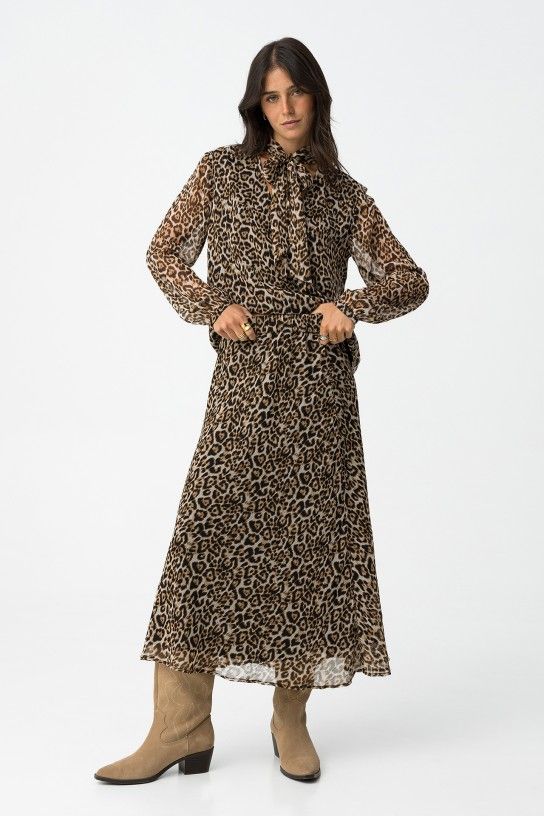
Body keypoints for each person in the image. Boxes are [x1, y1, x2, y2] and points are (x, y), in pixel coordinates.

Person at [94, 36, 429, 786]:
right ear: (256, 105)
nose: (285, 108)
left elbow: (411, 279)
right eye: (271, 97)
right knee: (205, 544)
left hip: (319, 396)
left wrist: (350, 304)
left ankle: (290, 719)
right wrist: (211, 304)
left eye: (296, 93)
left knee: (306, 553)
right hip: (244, 386)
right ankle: (179, 729)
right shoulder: (220, 171)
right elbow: (163, 253)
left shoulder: (345, 195)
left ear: (317, 98)